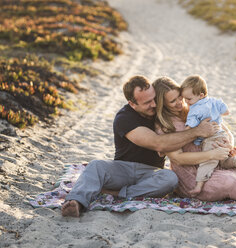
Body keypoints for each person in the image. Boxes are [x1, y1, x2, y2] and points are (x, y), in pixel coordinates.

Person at [61, 75, 227, 217]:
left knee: (170, 179)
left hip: (151, 172)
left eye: (154, 99)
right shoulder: (124, 118)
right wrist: (197, 131)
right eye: (147, 102)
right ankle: (75, 202)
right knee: (95, 165)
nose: (153, 105)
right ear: (133, 104)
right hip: (123, 169)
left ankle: (118, 193)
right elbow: (158, 143)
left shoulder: (160, 112)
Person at [180, 75, 236, 196]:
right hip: (222, 135)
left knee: (208, 161)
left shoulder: (195, 109)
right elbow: (226, 112)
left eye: (188, 99)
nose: (186, 102)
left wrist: (184, 133)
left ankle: (199, 185)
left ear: (200, 95)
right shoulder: (214, 101)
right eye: (184, 99)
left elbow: (189, 127)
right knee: (222, 160)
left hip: (210, 139)